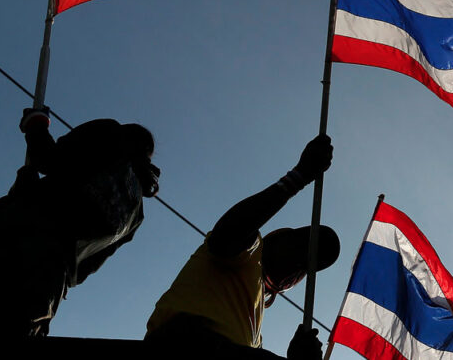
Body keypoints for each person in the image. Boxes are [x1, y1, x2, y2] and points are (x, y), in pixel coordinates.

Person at [0, 108, 159, 354]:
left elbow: (51, 159)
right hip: (46, 284)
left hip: (7, 241)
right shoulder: (136, 214)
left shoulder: (112, 135)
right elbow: (85, 268)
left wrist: (36, 125)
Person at [144, 133, 340, 360]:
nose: (300, 258)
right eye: (298, 244)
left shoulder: (254, 331)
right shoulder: (250, 251)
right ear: (273, 239)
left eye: (305, 265)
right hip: (183, 344)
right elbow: (226, 235)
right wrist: (298, 177)